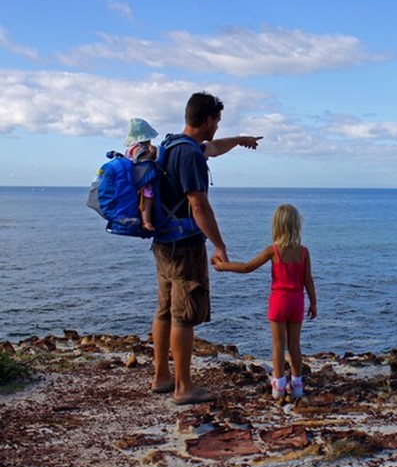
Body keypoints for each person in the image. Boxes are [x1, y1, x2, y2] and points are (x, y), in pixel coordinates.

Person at [150, 91, 263, 405]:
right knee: (183, 316)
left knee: (164, 311)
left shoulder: (173, 144)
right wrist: (219, 245)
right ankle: (183, 388)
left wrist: (240, 139)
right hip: (185, 246)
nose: (217, 127)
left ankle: (161, 376)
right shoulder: (190, 156)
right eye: (217, 121)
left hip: (163, 243)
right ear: (209, 119)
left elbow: (212, 147)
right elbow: (198, 206)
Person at [212, 204, 318, 400]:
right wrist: (313, 303)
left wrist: (223, 266)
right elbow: (308, 280)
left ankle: (278, 386)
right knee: (294, 345)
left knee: (278, 345)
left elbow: (246, 268)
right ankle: (297, 385)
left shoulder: (273, 251)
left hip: (279, 301)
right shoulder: (303, 252)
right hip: (297, 302)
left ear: (277, 226)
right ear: (297, 226)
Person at [124, 118, 159, 231]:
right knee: (148, 197)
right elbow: (141, 161)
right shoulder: (138, 148)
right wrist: (152, 153)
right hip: (142, 180)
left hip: (135, 179)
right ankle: (146, 221)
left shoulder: (131, 148)